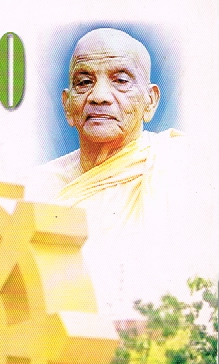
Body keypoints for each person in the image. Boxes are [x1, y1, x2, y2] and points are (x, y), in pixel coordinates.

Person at [28, 28, 208, 317]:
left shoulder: (180, 166)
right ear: (67, 105)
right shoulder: (38, 187)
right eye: (84, 82)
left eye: (121, 81)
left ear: (150, 101)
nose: (99, 96)